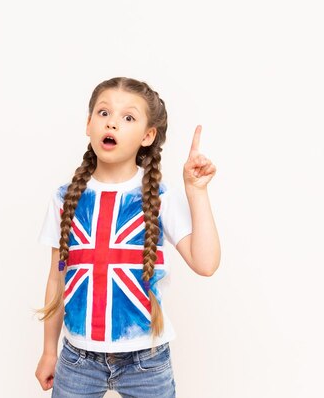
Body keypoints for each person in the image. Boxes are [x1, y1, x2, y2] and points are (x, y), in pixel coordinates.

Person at [34, 77, 220, 397]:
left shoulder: (161, 197)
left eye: (128, 117)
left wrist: (196, 191)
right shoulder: (64, 198)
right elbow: (56, 279)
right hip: (77, 359)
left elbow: (206, 264)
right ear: (89, 124)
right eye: (104, 113)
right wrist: (50, 351)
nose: (113, 123)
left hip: (146, 362)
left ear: (148, 136)